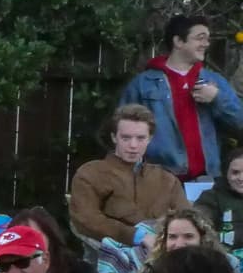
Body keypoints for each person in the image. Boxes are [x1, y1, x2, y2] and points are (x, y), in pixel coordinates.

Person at [118, 12, 243, 179]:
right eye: (200, 38)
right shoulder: (143, 84)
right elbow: (122, 131)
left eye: (207, 39)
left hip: (206, 181)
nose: (206, 44)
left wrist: (217, 98)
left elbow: (240, 124)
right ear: (178, 41)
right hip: (158, 179)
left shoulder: (215, 82)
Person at [69, 105, 187, 247]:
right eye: (126, 138)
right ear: (114, 137)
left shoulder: (167, 180)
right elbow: (86, 218)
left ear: (150, 139)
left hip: (164, 252)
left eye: (140, 138)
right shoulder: (91, 174)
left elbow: (188, 220)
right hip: (108, 252)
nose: (133, 145)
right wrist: (136, 236)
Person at [194, 149, 243, 249]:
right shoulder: (210, 197)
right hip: (223, 254)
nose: (241, 178)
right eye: (235, 172)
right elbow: (200, 227)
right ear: (226, 174)